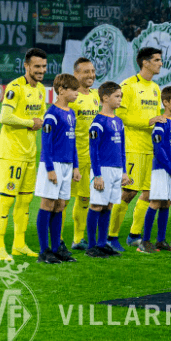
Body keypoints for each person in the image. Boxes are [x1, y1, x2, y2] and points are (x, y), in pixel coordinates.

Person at [0, 47, 47, 262]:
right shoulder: (15, 87)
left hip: (30, 153)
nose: (41, 70)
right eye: (36, 66)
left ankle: (19, 244)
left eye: (43, 66)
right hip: (11, 154)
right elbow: (4, 117)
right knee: (7, 201)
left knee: (25, 202)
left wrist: (42, 122)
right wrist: (29, 122)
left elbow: (41, 115)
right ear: (26, 66)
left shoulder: (41, 89)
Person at [111, 47, 164, 253]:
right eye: (157, 60)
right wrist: (148, 121)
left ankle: (134, 235)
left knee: (149, 193)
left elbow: (156, 117)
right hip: (132, 147)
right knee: (128, 192)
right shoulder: (128, 85)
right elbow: (121, 116)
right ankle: (111, 236)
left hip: (150, 148)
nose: (160, 63)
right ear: (145, 63)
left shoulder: (155, 88)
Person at [35, 74, 81, 264]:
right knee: (47, 204)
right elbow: (46, 143)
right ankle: (44, 251)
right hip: (52, 165)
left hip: (67, 165)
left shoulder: (70, 113)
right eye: (73, 89)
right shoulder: (52, 114)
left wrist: (76, 166)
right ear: (61, 89)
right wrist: (50, 168)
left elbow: (72, 142)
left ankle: (56, 249)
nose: (77, 93)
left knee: (60, 205)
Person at [86, 82, 129, 257]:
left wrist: (124, 171)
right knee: (96, 205)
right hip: (102, 169)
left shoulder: (119, 122)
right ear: (105, 98)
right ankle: (91, 246)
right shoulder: (98, 122)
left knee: (108, 206)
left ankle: (102, 243)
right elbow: (93, 149)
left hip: (117, 170)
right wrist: (97, 174)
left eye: (120, 96)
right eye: (117, 96)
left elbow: (122, 149)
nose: (120, 99)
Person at [142, 87, 171, 253]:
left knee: (167, 202)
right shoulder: (160, 124)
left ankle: (161, 241)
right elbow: (158, 150)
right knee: (156, 202)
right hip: (161, 169)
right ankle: (145, 241)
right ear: (165, 102)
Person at [68, 57, 99, 251]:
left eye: (93, 71)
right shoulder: (71, 99)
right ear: (76, 74)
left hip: (93, 157)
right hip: (74, 157)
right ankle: (60, 240)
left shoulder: (96, 96)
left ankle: (79, 239)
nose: (91, 75)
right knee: (62, 199)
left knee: (85, 198)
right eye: (86, 72)